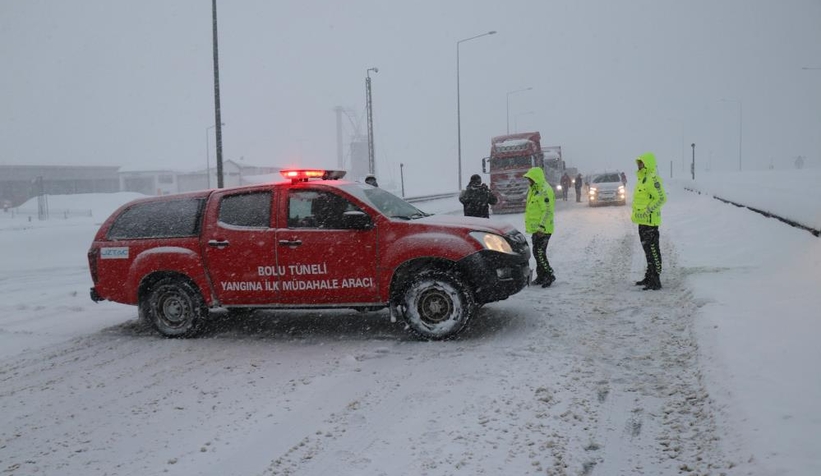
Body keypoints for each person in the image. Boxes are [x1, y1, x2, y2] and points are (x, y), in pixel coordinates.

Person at [632, 152, 667, 290]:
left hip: (651, 222)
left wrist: (648, 209)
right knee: (647, 250)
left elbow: (662, 198)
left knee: (653, 250)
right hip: (642, 222)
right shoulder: (642, 179)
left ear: (647, 164)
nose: (639, 165)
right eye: (638, 163)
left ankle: (656, 280)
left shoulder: (652, 179)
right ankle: (649, 276)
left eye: (641, 163)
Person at [523, 167, 556, 287]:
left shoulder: (544, 190)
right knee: (537, 253)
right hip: (537, 230)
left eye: (530, 179)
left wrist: (541, 228)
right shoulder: (534, 189)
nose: (528, 181)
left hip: (544, 229)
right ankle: (541, 276)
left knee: (540, 253)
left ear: (535, 178)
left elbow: (547, 211)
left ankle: (549, 275)